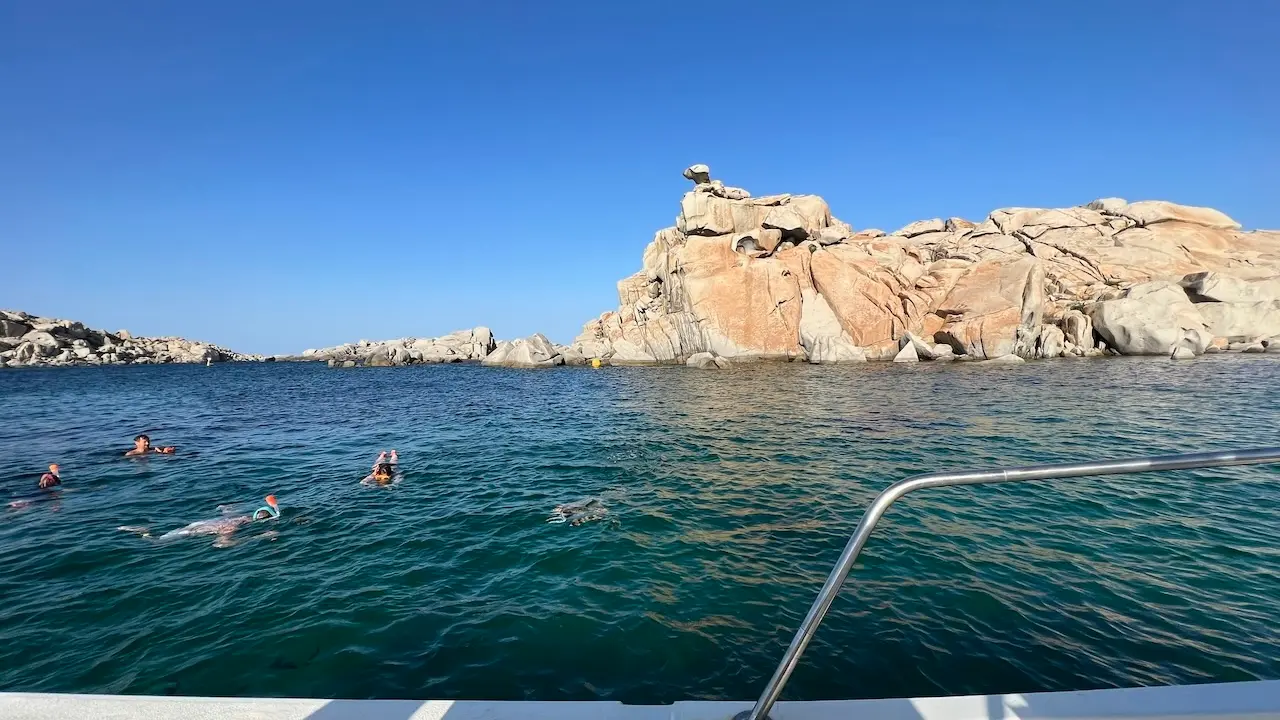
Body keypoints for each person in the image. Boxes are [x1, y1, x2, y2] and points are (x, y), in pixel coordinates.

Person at [118, 495, 280, 547]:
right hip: (191, 531)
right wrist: (256, 538)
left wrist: (223, 507)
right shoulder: (232, 526)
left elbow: (225, 509)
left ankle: (143, 529)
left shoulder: (236, 518)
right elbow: (221, 544)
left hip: (197, 524)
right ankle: (143, 532)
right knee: (157, 541)